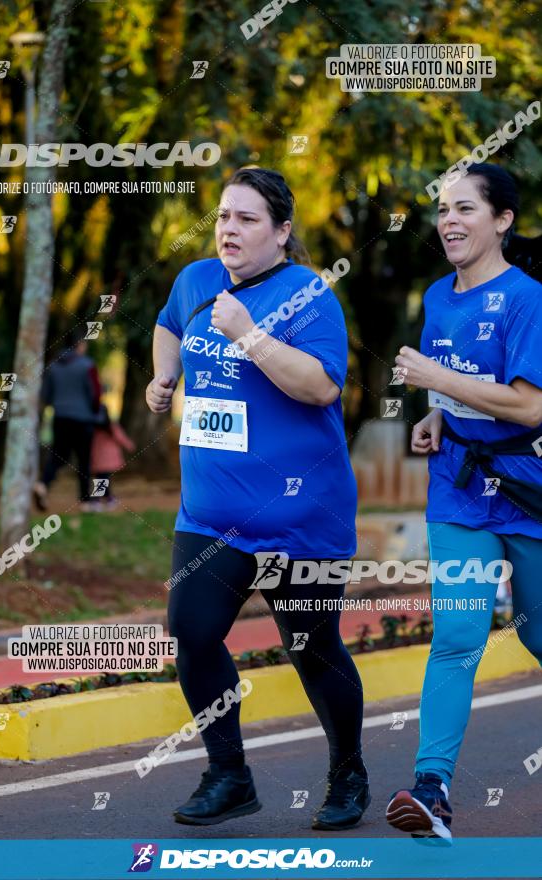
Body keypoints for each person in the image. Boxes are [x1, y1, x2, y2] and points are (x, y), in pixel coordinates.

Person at [146, 167, 369, 829]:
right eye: (222, 217)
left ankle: (347, 774)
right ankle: (228, 775)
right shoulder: (195, 279)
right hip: (211, 515)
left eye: (245, 219)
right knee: (191, 632)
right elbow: (167, 323)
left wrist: (247, 331)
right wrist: (164, 374)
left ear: (281, 233)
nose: (228, 230)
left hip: (299, 520)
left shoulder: (309, 295)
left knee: (312, 647)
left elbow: (321, 386)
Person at [385, 164, 542, 841]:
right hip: (457, 492)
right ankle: (431, 789)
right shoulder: (436, 296)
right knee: (454, 639)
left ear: (501, 220)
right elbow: (455, 385)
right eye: (442, 209)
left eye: (464, 209)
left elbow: (529, 403)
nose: (447, 221)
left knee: (537, 633)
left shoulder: (526, 298)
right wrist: (436, 416)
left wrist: (433, 378)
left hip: (528, 492)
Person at [34, 329, 101, 512]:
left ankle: (42, 484)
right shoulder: (87, 365)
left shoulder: (53, 366)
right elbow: (95, 394)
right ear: (79, 345)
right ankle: (85, 501)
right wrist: (95, 412)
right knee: (83, 459)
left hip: (60, 417)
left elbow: (46, 397)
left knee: (58, 455)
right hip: (83, 419)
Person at [90, 403, 136, 509]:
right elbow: (121, 438)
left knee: (102, 478)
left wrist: (129, 446)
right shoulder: (108, 427)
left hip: (100, 459)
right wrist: (130, 446)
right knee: (103, 478)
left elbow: (121, 438)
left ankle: (102, 498)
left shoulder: (96, 428)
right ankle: (106, 498)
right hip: (104, 459)